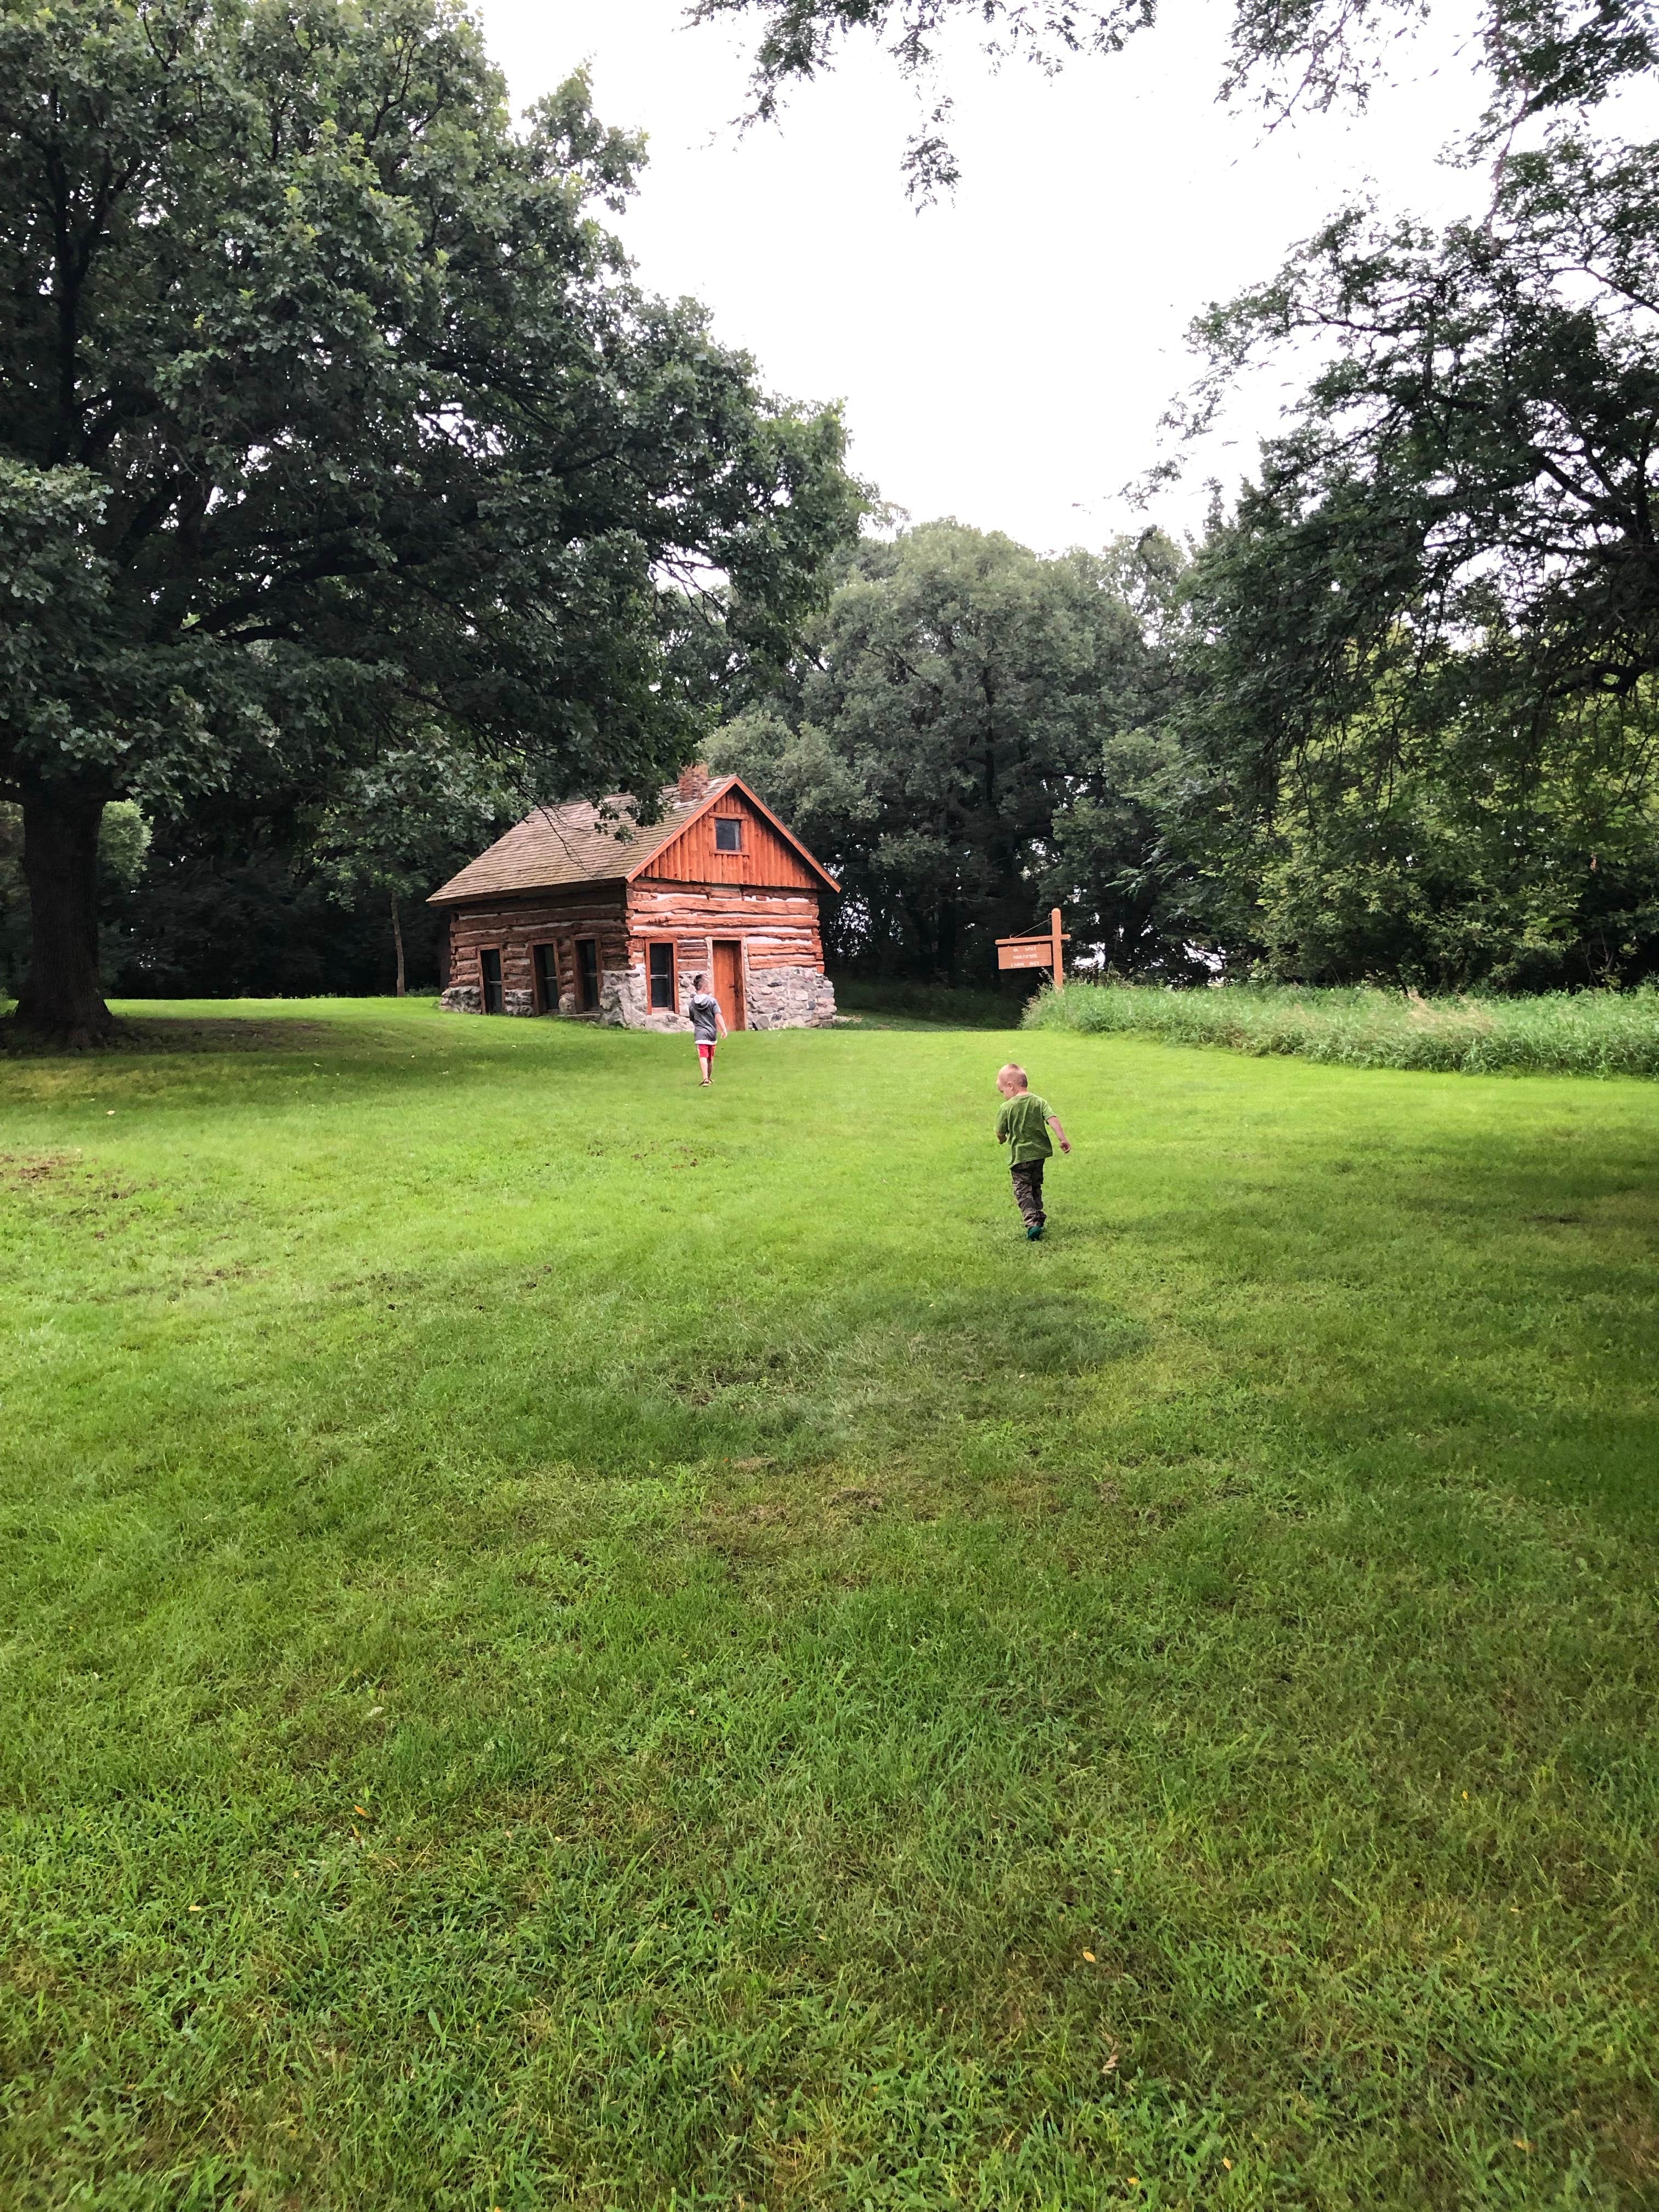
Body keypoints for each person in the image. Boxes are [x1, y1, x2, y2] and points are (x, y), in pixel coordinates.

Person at [995, 1062, 1070, 1239]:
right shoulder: (1039, 1101)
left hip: (1020, 1157)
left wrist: (1002, 1139)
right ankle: (1039, 1216)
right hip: (1039, 1155)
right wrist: (1063, 1139)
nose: (1003, 1096)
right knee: (1035, 1186)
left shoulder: (1007, 1107)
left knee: (1022, 1190)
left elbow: (1000, 1131)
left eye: (1002, 1091)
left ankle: (1032, 1223)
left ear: (1011, 1086)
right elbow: (1052, 1119)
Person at [687, 970, 727, 1085]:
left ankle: (705, 1078)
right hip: (711, 1033)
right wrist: (724, 1029)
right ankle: (708, 1078)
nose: (711, 988)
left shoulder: (692, 1003)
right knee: (710, 1056)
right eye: (709, 986)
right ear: (704, 988)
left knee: (703, 1055)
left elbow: (692, 1017)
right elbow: (718, 1015)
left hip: (700, 1033)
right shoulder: (712, 1002)